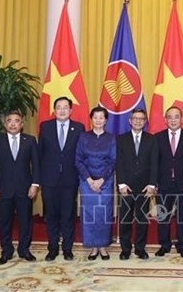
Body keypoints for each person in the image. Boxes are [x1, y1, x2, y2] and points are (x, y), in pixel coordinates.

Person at [0, 111, 40, 265]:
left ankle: (24, 249)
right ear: (5, 124)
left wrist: (35, 184)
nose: (13, 124)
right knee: (4, 222)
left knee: (25, 221)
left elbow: (36, 165)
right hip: (3, 189)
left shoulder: (30, 140)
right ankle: (6, 251)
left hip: (25, 188)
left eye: (17, 121)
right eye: (9, 121)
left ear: (22, 124)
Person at [39, 96, 84, 261]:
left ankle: (67, 248)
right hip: (49, 179)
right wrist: (38, 179)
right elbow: (39, 154)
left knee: (68, 215)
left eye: (66, 107)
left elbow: (80, 155)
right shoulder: (45, 127)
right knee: (51, 215)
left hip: (69, 179)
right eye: (59, 107)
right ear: (54, 110)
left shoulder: (79, 128)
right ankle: (52, 248)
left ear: (71, 110)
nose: (62, 110)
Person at [154, 106, 183, 258]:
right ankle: (164, 245)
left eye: (176, 117)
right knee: (163, 216)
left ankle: (182, 245)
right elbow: (154, 163)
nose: (173, 120)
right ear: (165, 120)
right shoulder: (157, 137)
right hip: (163, 183)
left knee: (182, 217)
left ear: (182, 119)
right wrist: (154, 183)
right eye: (170, 117)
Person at [116, 108, 158, 260]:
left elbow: (154, 163)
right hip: (126, 186)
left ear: (145, 121)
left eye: (141, 119)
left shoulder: (152, 139)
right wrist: (121, 184)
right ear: (130, 120)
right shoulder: (121, 139)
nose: (138, 121)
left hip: (144, 187)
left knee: (142, 219)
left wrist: (152, 185)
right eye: (135, 118)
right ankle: (125, 249)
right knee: (125, 219)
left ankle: (140, 248)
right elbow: (119, 163)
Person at [76, 105, 116, 261]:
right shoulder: (83, 137)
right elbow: (78, 160)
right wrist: (90, 180)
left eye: (101, 118)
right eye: (95, 117)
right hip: (87, 181)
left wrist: (101, 180)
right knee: (90, 214)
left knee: (104, 214)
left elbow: (113, 162)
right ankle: (93, 247)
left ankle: (103, 246)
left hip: (105, 181)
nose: (98, 120)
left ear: (105, 120)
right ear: (91, 119)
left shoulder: (111, 138)